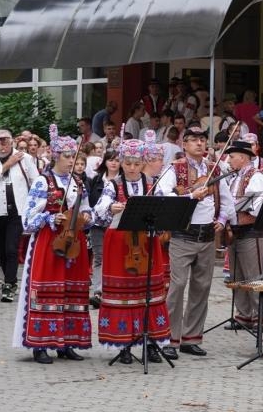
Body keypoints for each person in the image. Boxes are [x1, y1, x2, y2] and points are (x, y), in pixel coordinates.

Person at [12, 125, 93, 363]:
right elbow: (27, 220)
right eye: (67, 156)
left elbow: (87, 210)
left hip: (74, 242)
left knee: (72, 291)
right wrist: (50, 217)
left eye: (74, 157)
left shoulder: (78, 182)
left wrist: (87, 218)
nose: (71, 161)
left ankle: (67, 342)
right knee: (48, 289)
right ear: (56, 156)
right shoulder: (42, 182)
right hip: (49, 242)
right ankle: (40, 344)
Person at [157, 126, 233, 360]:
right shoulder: (175, 168)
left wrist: (222, 218)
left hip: (207, 235)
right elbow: (163, 195)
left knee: (202, 288)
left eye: (202, 140)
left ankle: (192, 337)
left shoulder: (214, 168)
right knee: (177, 287)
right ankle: (169, 338)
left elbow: (228, 198)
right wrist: (191, 195)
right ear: (185, 144)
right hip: (183, 234)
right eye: (194, 140)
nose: (200, 144)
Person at [93, 138, 169, 364]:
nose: (132, 168)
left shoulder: (153, 183)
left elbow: (164, 206)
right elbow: (99, 210)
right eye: (128, 163)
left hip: (147, 242)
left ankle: (151, 343)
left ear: (143, 162)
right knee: (123, 293)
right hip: (120, 244)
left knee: (150, 292)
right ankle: (123, 343)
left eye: (136, 163)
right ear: (121, 162)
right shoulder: (113, 184)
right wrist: (111, 207)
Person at [0, 129, 40, 303]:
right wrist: (7, 164)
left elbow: (36, 181)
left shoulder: (25, 158)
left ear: (11, 142)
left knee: (11, 248)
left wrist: (34, 207)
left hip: (18, 210)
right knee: (2, 250)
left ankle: (9, 284)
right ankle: (9, 280)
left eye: (4, 141)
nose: (1, 145)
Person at [224, 140, 263, 330]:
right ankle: (243, 315)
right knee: (238, 276)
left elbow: (258, 206)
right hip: (235, 231)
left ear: (242, 158)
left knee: (254, 275)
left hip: (251, 231)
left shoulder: (256, 176)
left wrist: (237, 207)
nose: (229, 160)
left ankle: (260, 316)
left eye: (232, 156)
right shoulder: (234, 176)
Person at [86, 149, 121, 308]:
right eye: (110, 159)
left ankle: (113, 289)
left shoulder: (123, 181)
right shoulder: (96, 180)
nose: (114, 162)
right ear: (105, 162)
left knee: (116, 257)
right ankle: (98, 292)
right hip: (98, 225)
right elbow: (89, 200)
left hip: (117, 225)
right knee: (99, 257)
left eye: (117, 160)